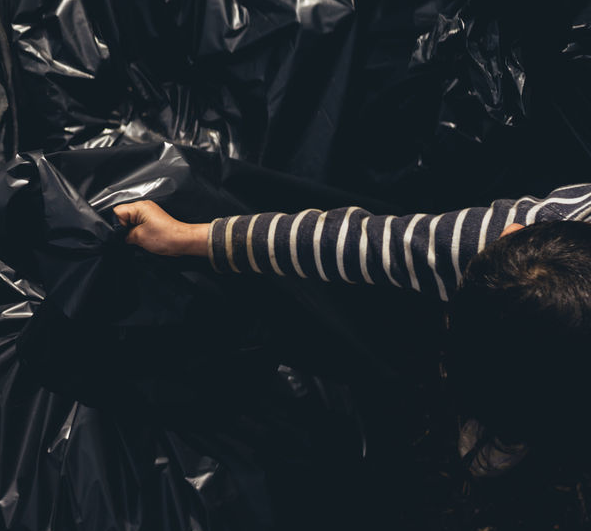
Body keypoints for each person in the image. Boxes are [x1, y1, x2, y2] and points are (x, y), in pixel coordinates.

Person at [114, 185, 591, 475]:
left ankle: (509, 422)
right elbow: (351, 243)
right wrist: (188, 238)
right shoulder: (528, 233)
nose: (505, 231)